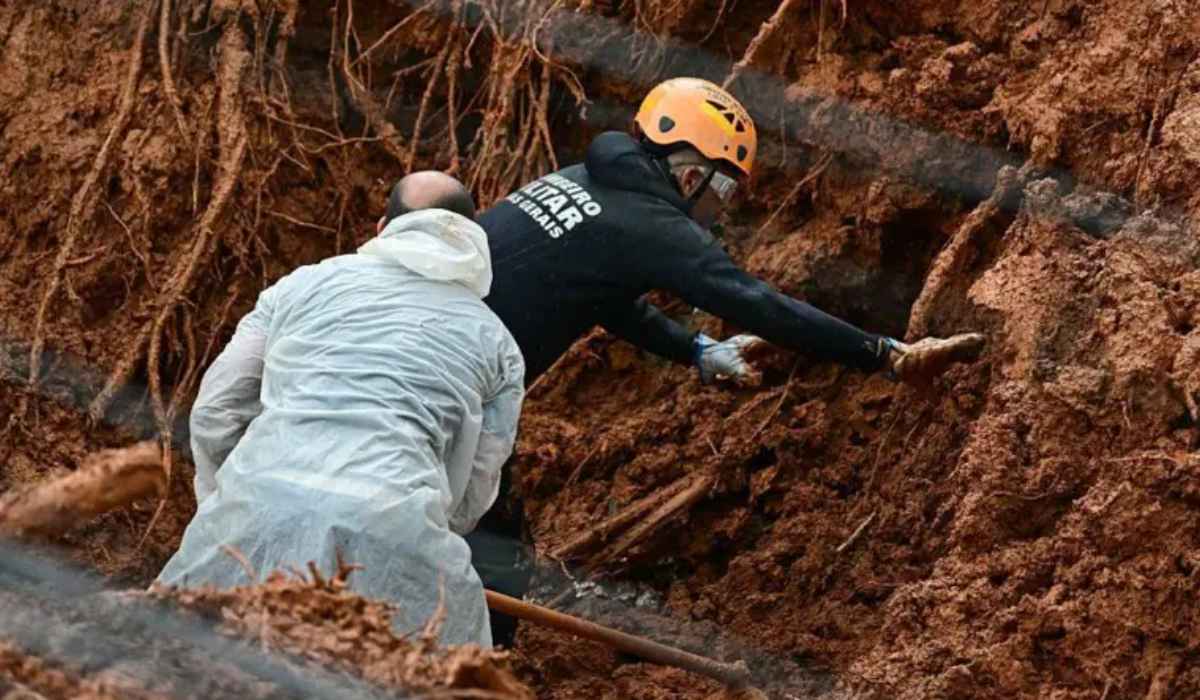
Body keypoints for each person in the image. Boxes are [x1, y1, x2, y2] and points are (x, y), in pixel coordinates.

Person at [471, 77, 985, 644]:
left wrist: (696, 348)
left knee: (477, 531)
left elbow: (600, 297)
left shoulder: (580, 181)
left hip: (398, 344)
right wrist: (882, 355)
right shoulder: (651, 224)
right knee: (490, 549)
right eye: (722, 189)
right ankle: (473, 668)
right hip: (451, 389)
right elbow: (757, 304)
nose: (718, 209)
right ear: (693, 173)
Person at [157, 172, 525, 649]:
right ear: (473, 242)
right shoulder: (498, 344)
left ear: (380, 229)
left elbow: (216, 411)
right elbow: (476, 488)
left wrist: (231, 503)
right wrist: (420, 527)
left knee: (168, 658)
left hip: (260, 502)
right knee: (448, 672)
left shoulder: (298, 288)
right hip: (397, 533)